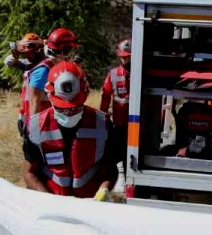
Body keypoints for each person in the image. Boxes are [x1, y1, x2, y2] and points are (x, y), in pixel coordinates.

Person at [22, 61, 121, 199]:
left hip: (90, 204)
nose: (70, 113)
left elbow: (111, 170)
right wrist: (47, 200)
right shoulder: (36, 127)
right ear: (50, 96)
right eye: (63, 109)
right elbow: (30, 172)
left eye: (75, 108)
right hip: (52, 201)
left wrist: (104, 190)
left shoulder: (102, 124)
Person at [18, 27, 78, 136]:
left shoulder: (59, 68)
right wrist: (34, 132)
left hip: (53, 125)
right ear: (62, 50)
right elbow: (34, 102)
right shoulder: (43, 71)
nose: (72, 54)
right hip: (42, 128)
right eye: (70, 50)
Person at [99, 39, 132, 175]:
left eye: (128, 58)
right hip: (119, 124)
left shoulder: (141, 74)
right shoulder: (113, 74)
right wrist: (102, 117)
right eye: (123, 58)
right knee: (119, 155)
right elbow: (105, 96)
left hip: (137, 124)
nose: (125, 60)